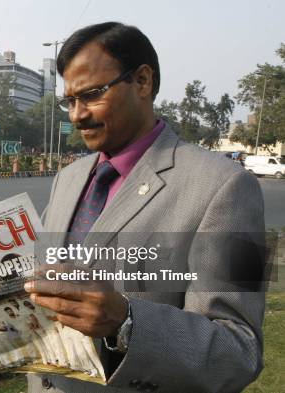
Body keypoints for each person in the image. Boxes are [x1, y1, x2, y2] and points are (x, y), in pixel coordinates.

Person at [24, 22, 265, 392]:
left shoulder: (227, 186)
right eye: (69, 101)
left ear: (142, 81)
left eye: (91, 95)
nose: (76, 115)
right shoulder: (68, 179)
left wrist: (126, 322)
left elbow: (239, 350)